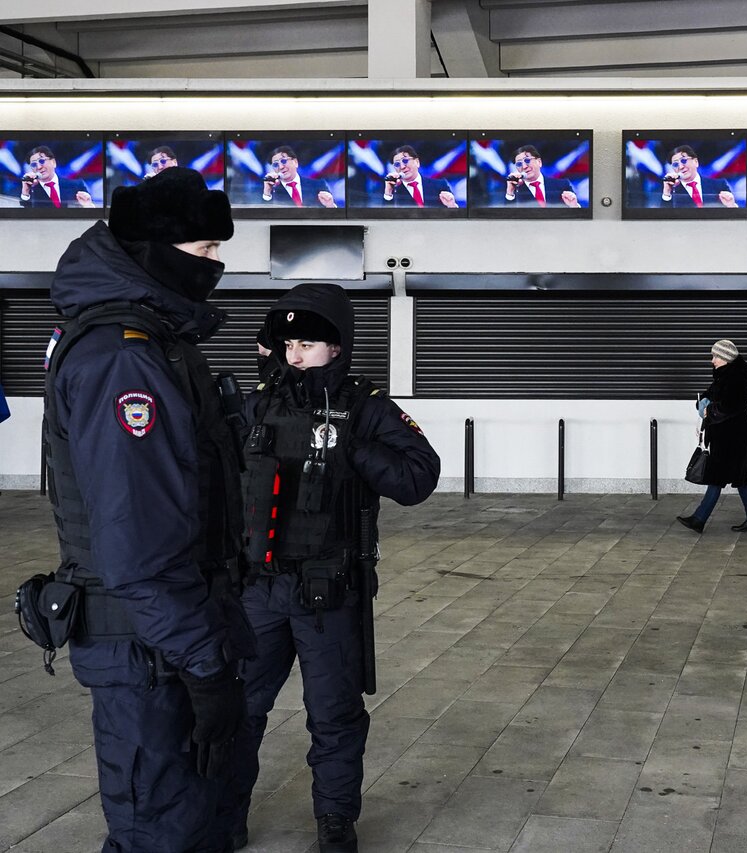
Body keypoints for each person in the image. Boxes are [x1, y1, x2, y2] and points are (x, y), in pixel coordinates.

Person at [43, 166, 250, 852]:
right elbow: (140, 536)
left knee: (192, 821)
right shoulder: (123, 360)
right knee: (160, 832)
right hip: (151, 649)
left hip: (168, 637)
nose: (215, 265)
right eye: (203, 251)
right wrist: (203, 664)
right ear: (153, 253)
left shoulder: (159, 344)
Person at [226, 283, 441, 853]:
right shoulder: (256, 404)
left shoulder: (365, 405)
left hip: (329, 594)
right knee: (237, 710)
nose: (295, 354)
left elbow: (419, 476)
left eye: (308, 343)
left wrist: (353, 449)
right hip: (258, 592)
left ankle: (334, 821)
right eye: (288, 343)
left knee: (335, 717)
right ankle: (226, 814)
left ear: (337, 347)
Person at [677, 340, 747, 533]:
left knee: (717, 475)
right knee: (740, 477)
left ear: (725, 358)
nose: (712, 360)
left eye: (715, 356)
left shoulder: (734, 378)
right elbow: (712, 393)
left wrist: (709, 411)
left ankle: (699, 519)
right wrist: (702, 402)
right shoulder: (725, 375)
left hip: (734, 434)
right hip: (732, 432)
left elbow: (737, 405)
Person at [661, 145, 737, 208]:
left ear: (696, 162)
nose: (681, 167)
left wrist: (732, 206)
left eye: (684, 161)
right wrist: (667, 192)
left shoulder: (719, 185)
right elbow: (663, 221)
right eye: (675, 164)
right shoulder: (672, 191)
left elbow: (735, 217)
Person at [382, 145, 457, 208]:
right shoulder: (394, 191)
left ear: (417, 162)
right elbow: (385, 219)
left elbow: (454, 218)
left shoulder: (439, 185)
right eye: (397, 164)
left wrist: (452, 206)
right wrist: (388, 192)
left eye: (405, 161)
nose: (402, 167)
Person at [20, 144, 95, 208]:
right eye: (34, 164)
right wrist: (26, 192)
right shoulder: (29, 190)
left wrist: (89, 206)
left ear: (53, 162)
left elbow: (91, 215)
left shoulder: (76, 186)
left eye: (42, 161)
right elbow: (23, 217)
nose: (39, 167)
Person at [262, 145, 338, 208]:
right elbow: (263, 215)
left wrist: (330, 206)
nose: (281, 167)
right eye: (275, 164)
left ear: (295, 162)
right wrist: (267, 192)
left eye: (283, 161)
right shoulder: (271, 191)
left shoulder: (318, 185)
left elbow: (335, 217)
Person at [504, 145, 579, 207]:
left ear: (539, 162)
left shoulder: (562, 185)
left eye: (527, 160)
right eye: (519, 164)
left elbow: (579, 217)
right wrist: (510, 192)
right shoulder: (514, 191)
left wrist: (574, 207)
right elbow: (506, 219)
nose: (524, 166)